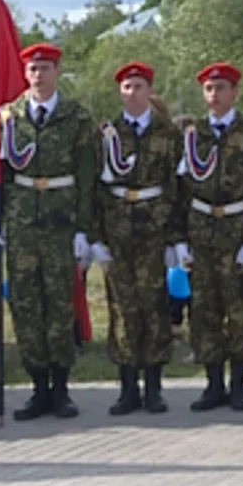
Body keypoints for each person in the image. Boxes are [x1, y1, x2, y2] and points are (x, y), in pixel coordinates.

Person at [0, 42, 98, 421]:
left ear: (57, 72)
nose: (39, 74)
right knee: (25, 305)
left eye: (46, 68)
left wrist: (84, 229)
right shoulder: (9, 117)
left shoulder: (76, 118)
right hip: (22, 222)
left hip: (60, 220)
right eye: (33, 69)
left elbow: (87, 175)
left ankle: (61, 388)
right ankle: (37, 386)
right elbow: (1, 171)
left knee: (58, 304)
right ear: (25, 74)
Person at [90, 62, 184, 416]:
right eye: (127, 87)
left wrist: (176, 239)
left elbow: (177, 188)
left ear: (149, 91)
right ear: (120, 92)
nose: (132, 92)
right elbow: (96, 189)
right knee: (121, 308)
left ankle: (154, 388)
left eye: (139, 86)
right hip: (117, 230)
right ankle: (127, 387)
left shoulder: (167, 133)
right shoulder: (106, 134)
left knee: (154, 307)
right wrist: (96, 237)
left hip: (153, 228)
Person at [176, 62, 243, 413]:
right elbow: (181, 190)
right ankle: (213, 383)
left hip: (235, 228)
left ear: (235, 93)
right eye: (209, 89)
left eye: (221, 89)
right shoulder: (191, 134)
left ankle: (239, 385)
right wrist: (179, 239)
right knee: (203, 311)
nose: (214, 96)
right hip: (202, 230)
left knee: (240, 309)